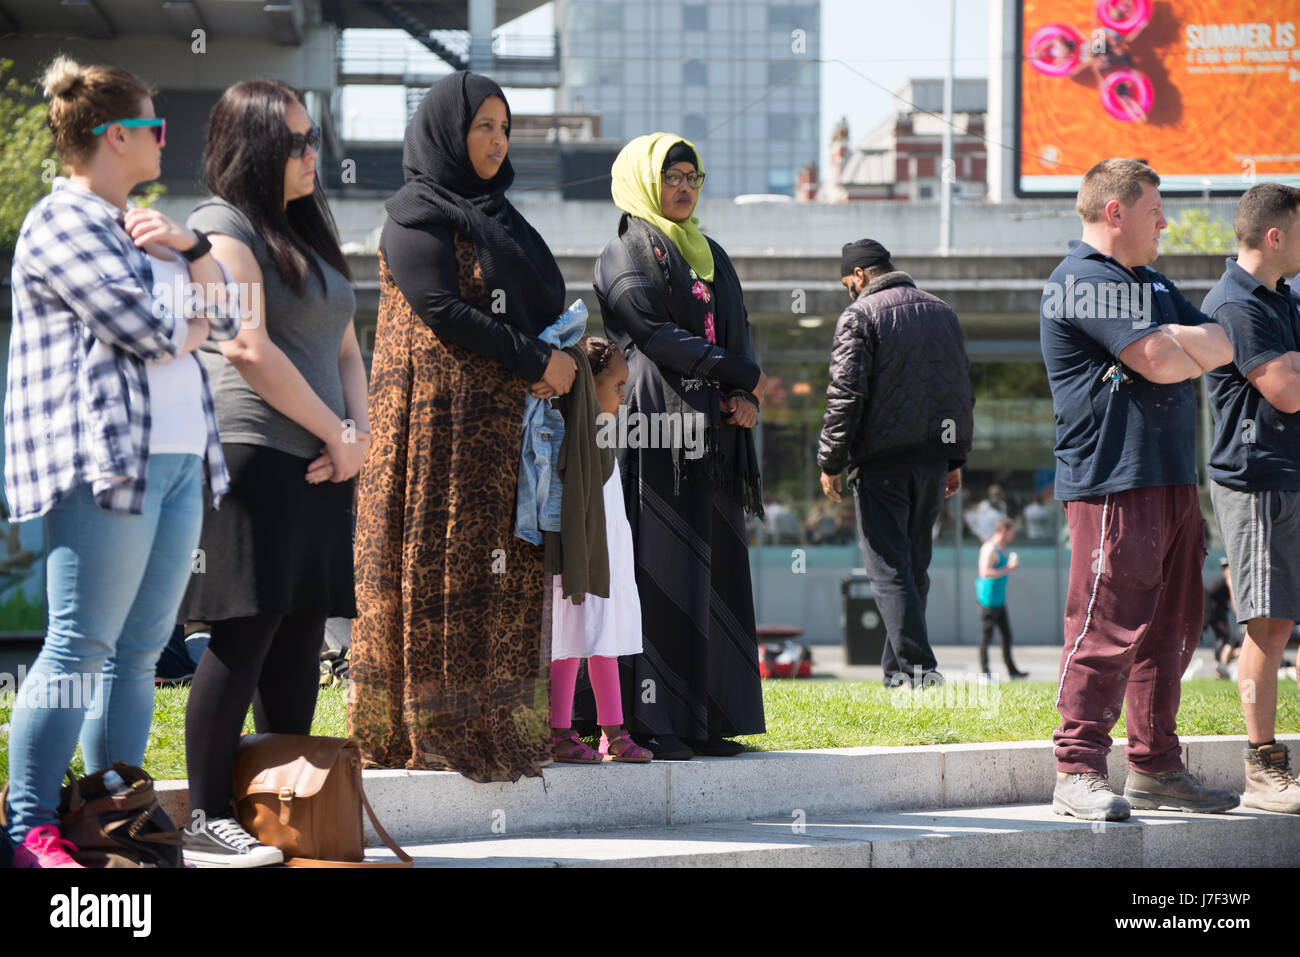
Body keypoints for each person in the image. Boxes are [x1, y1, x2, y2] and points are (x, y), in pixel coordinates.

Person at [3, 57, 237, 867]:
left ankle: (108, 811)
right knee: (77, 648)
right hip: (105, 461)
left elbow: (231, 315)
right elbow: (150, 330)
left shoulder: (148, 224)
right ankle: (29, 826)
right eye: (153, 126)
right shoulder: (61, 223)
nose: (163, 140)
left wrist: (196, 245)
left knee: (140, 653)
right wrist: (197, 313)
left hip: (175, 461)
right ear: (113, 136)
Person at [347, 72, 575, 782]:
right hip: (431, 440)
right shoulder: (413, 216)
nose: (496, 140)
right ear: (448, 131)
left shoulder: (499, 215)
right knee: (434, 570)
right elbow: (444, 309)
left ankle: (487, 721)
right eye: (482, 126)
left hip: (500, 438)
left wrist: (556, 358)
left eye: (504, 128)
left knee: (497, 577)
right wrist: (538, 357)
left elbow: (536, 299)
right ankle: (429, 728)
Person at [179, 79, 365, 866]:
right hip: (259, 456)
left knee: (299, 636)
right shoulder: (220, 226)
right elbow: (249, 348)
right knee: (244, 632)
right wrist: (337, 433)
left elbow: (349, 346)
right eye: (293, 142)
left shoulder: (309, 231)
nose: (310, 152)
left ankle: (280, 806)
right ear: (253, 148)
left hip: (329, 462)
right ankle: (204, 818)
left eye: (312, 136)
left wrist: (358, 437)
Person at [1041, 157, 1239, 821]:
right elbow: (1158, 361)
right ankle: (1077, 768)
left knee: (1172, 630)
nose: (1164, 221)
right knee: (1105, 628)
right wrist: (1175, 348)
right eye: (1154, 208)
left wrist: (1175, 342)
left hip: (1172, 478)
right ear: (1115, 211)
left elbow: (1224, 342)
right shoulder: (1081, 279)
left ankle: (1155, 767)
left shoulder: (1150, 282)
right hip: (1112, 481)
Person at [590, 133, 766, 759]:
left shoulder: (711, 254)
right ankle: (650, 722)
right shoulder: (621, 252)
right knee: (656, 574)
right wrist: (735, 373)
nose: (685, 186)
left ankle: (708, 720)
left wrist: (748, 396)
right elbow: (651, 332)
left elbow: (742, 332)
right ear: (642, 182)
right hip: (655, 427)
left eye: (693, 175)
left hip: (714, 434)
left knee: (713, 574)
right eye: (671, 176)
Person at [818, 239, 974, 688]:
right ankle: (896, 673)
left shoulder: (861, 315)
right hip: (930, 459)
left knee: (887, 568)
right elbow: (961, 390)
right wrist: (953, 456)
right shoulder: (942, 311)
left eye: (848, 283)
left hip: (882, 461)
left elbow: (845, 393)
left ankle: (918, 671)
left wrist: (830, 458)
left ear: (861, 275)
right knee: (911, 566)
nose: (848, 291)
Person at [1202, 181, 1300, 813]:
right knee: (1267, 627)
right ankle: (1264, 770)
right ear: (1276, 234)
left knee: (1285, 622)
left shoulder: (1280, 297)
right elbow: (1287, 390)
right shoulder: (1237, 303)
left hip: (1287, 473)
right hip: (1256, 479)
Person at [549, 337, 652, 764]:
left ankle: (612, 732)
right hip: (582, 559)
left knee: (601, 636)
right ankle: (561, 732)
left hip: (606, 557)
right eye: (617, 385)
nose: (624, 396)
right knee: (568, 639)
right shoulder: (569, 438)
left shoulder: (595, 435)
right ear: (589, 385)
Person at [975, 517, 1029, 680]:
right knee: (987, 636)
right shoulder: (989, 548)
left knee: (1006, 635)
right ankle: (985, 672)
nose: (1013, 537)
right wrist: (1007, 569)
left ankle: (1012, 670)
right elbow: (985, 572)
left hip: (999, 599)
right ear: (1003, 530)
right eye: (1012, 532)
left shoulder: (1002, 547)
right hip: (989, 600)